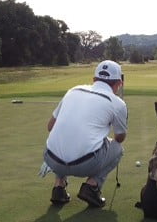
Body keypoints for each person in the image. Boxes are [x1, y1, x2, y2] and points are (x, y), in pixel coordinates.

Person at [43, 60, 128, 207]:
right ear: (119, 83)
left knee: (64, 136)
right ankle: (91, 186)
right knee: (118, 150)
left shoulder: (73, 90)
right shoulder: (118, 103)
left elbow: (50, 126)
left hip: (51, 160)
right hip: (86, 165)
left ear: (94, 79)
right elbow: (119, 138)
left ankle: (58, 187)